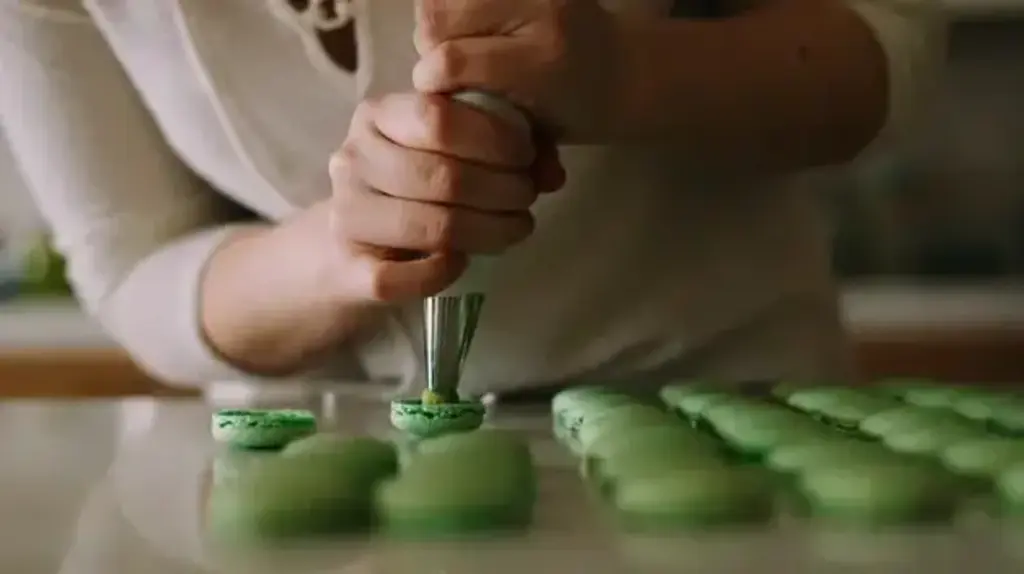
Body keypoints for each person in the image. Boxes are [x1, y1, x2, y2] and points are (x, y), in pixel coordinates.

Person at [0, 0, 943, 399]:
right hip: (321, 472)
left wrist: (629, 76)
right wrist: (342, 250)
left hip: (722, 401)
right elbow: (129, 266)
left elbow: (886, 43)